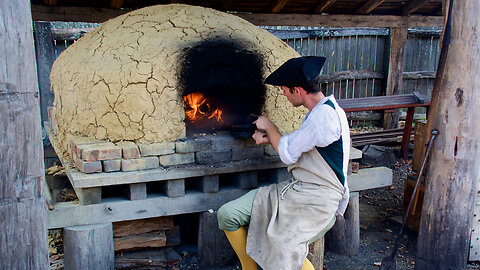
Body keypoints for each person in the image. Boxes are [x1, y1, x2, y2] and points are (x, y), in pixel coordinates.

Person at [217, 56, 350, 270]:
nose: (284, 95)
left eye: (285, 91)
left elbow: (288, 154)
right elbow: (300, 145)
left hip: (320, 199)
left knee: (282, 245)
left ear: (297, 90)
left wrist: (269, 126)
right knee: (227, 214)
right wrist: (273, 138)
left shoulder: (324, 117)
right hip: (296, 191)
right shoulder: (320, 111)